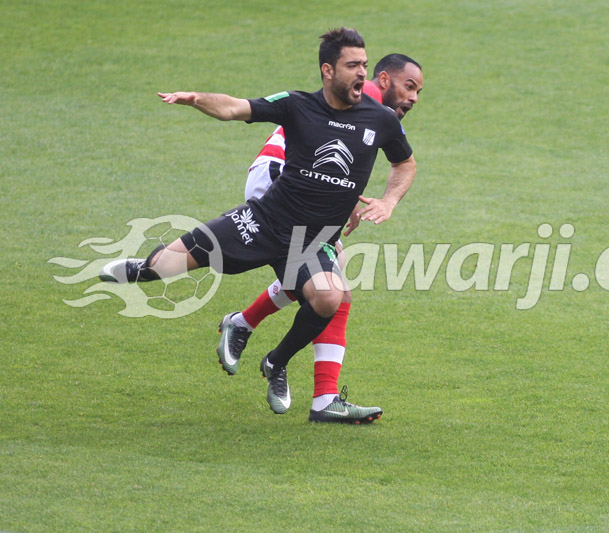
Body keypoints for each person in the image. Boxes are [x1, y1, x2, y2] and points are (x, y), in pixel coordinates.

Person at [100, 28, 416, 424]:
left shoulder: (381, 119)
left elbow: (405, 163)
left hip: (308, 241)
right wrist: (198, 99)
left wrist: (388, 200)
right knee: (165, 266)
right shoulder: (298, 105)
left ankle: (275, 362)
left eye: (364, 65)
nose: (361, 73)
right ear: (327, 70)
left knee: (331, 297)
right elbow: (235, 107)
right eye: (353, 65)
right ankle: (139, 270)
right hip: (265, 221)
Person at [217, 54, 423, 420]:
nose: (414, 98)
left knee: (335, 288)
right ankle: (266, 348)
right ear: (385, 79)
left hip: (287, 178)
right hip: (282, 183)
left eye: (419, 92)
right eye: (409, 87)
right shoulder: (368, 97)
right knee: (323, 286)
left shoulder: (364, 103)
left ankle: (319, 394)